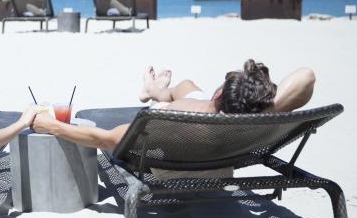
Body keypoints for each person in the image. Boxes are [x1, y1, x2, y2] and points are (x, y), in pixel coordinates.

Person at [31, 59, 316, 150]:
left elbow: (105, 138)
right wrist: (264, 106)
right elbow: (306, 77)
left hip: (180, 119)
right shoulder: (251, 118)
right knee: (188, 86)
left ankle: (156, 92)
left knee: (182, 93)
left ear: (219, 97)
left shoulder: (166, 123)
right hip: (212, 117)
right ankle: (155, 89)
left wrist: (52, 126)